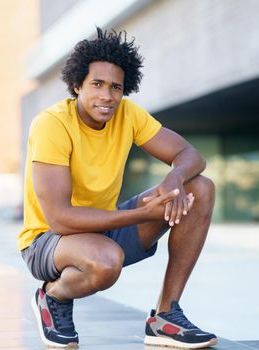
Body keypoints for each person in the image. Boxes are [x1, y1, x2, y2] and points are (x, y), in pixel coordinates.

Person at [18, 27, 218, 349]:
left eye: (116, 87)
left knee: (200, 189)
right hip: (48, 240)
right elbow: (60, 219)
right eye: (97, 84)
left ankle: (165, 315)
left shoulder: (128, 114)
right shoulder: (51, 125)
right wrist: (141, 214)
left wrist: (174, 179)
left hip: (104, 225)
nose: (107, 96)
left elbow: (190, 155)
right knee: (106, 263)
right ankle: (52, 295)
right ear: (76, 85)